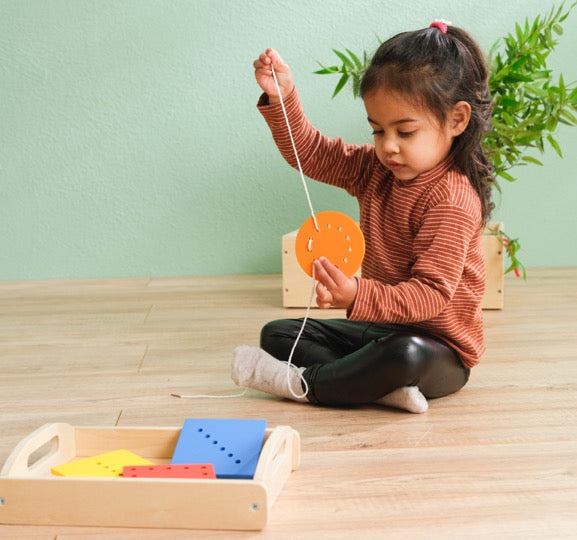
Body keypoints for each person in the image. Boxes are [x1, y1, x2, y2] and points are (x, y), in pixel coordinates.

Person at [231, 21, 495, 413]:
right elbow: (312, 153)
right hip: (384, 329)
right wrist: (282, 98)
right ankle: (380, 389)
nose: (388, 147)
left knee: (402, 355)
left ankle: (305, 384)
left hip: (438, 350)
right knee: (280, 333)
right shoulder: (377, 170)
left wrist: (356, 294)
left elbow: (430, 297)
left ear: (456, 120)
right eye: (377, 130)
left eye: (405, 132)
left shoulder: (452, 200)